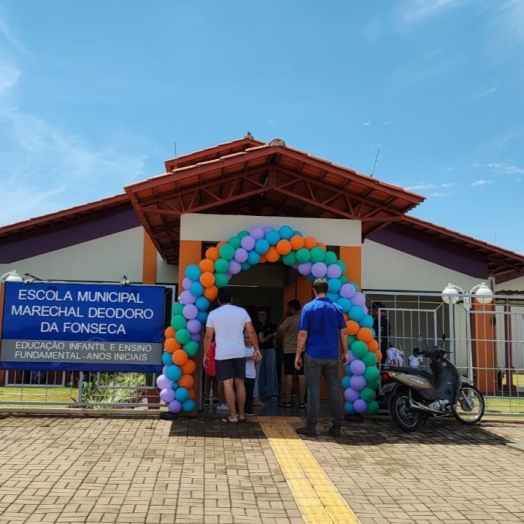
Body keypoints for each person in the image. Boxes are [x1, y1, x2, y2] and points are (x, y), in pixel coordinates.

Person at [295, 278, 349, 437]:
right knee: (334, 390)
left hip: (313, 355)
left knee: (313, 391)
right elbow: (343, 332)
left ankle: (310, 426)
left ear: (314, 290)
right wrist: (345, 351)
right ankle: (337, 425)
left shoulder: (308, 308)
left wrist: (298, 354)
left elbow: (303, 333)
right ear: (327, 289)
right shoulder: (337, 308)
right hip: (332, 355)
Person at [203, 288, 261, 423]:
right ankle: (241, 414)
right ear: (232, 299)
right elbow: (251, 331)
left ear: (218, 301)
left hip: (222, 353)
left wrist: (206, 354)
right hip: (239, 352)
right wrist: (256, 349)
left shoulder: (213, 314)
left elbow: (208, 336)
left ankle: (233, 415)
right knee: (240, 383)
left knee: (227, 384)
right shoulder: (242, 312)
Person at [276, 299, 306, 408]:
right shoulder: (305, 318)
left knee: (289, 375)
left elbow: (279, 330)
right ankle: (302, 401)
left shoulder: (289, 319)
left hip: (289, 350)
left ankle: (287, 401)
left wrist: (284, 317)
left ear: (292, 309)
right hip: (302, 350)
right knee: (302, 375)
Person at [256, 309, 279, 399]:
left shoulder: (272, 325)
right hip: (259, 349)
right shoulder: (256, 325)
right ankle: (260, 392)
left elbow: (277, 333)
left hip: (269, 348)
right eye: (260, 314)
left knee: (271, 370)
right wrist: (270, 336)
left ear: (266, 315)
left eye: (263, 314)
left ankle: (272, 392)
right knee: (260, 371)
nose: (261, 316)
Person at [243, 331, 257, 415]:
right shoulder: (241, 348)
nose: (248, 340)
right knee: (242, 392)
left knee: (250, 393)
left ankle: (248, 408)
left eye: (250, 337)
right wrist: (248, 358)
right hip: (243, 374)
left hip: (252, 373)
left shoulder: (255, 348)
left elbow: (258, 360)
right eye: (246, 337)